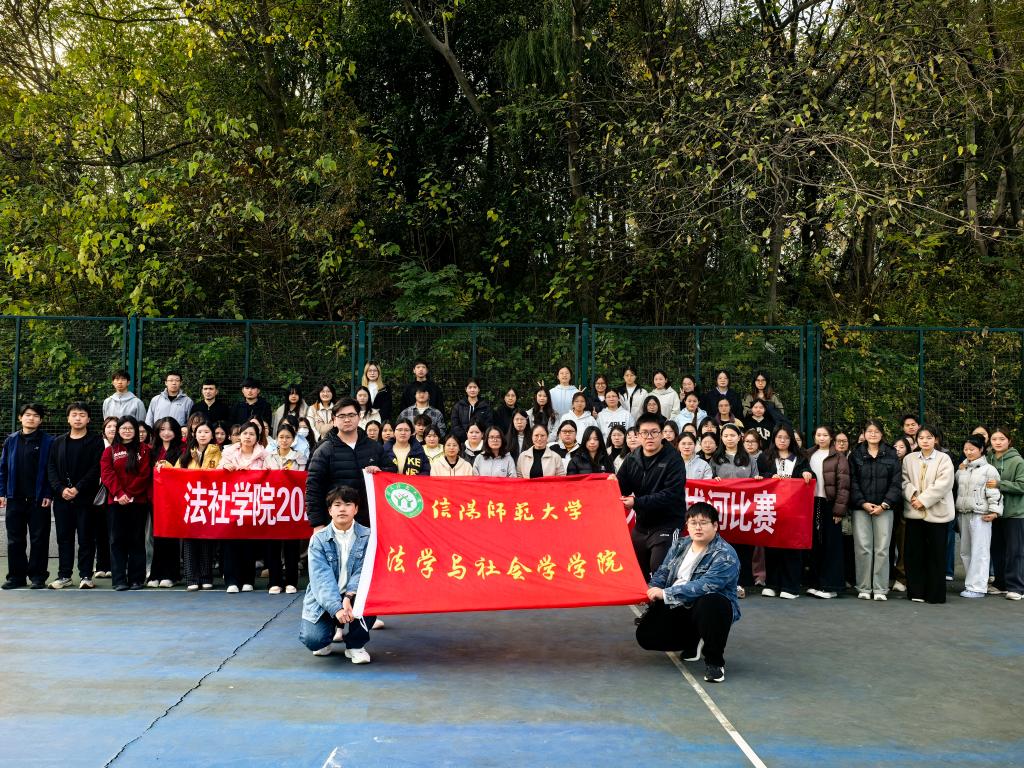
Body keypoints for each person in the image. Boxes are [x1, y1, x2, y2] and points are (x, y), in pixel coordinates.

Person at [637, 502, 739, 683]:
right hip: (679, 603)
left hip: (710, 607)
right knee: (646, 637)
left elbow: (706, 585)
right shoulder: (680, 545)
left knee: (711, 602)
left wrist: (666, 593)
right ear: (687, 525)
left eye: (703, 523)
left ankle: (715, 662)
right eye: (693, 522)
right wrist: (648, 591)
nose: (698, 527)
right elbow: (663, 572)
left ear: (715, 526)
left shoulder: (725, 554)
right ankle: (693, 640)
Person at [299, 485, 375, 663]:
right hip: (325, 597)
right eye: (337, 505)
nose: (342, 509)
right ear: (330, 510)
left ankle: (355, 645)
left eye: (348, 504)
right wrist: (337, 608)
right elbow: (321, 579)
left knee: (371, 594)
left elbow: (363, 571)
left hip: (355, 595)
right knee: (314, 640)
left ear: (356, 509)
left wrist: (348, 596)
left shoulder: (369, 536)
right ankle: (328, 633)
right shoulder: (318, 539)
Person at [617, 412, 687, 578]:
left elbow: (671, 495)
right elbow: (621, 488)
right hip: (642, 524)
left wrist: (637, 502)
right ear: (638, 435)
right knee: (637, 573)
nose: (649, 437)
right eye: (644, 433)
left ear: (662, 434)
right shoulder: (631, 458)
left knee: (660, 571)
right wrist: (612, 483)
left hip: (668, 523)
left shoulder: (674, 460)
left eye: (654, 432)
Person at [43, 403, 105, 590]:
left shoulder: (96, 441)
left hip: (86, 498)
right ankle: (64, 575)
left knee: (86, 538)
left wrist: (78, 488)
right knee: (64, 538)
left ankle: (86, 575)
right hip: (62, 499)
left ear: (89, 419)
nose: (78, 418)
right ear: (68, 418)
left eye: (82, 415)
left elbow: (96, 468)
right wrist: (60, 489)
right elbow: (51, 468)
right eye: (74, 415)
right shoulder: (58, 442)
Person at [305, 397, 383, 529]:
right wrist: (317, 524)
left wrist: (380, 472)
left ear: (359, 417)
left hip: (370, 522)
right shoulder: (324, 450)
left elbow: (391, 476)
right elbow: (313, 489)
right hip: (335, 524)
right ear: (334, 420)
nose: (347, 420)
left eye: (351, 415)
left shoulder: (375, 447)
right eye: (341, 416)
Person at [0, 404, 54, 590]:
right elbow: (3, 468)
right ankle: (16, 577)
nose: (31, 418)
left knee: (39, 539)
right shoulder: (11, 440)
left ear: (41, 420)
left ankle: (38, 577)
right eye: (28, 415)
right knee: (15, 540)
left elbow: (52, 470)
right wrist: (2, 492)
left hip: (39, 500)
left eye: (36, 415)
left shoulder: (49, 441)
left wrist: (48, 493)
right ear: (20, 418)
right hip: (14, 498)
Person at [757, 425, 813, 598]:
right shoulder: (765, 457)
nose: (782, 441)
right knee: (772, 546)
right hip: (772, 508)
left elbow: (809, 474)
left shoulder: (801, 457)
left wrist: (807, 473)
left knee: (792, 547)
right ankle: (772, 584)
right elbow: (759, 477)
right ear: (774, 438)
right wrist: (769, 477)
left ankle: (790, 587)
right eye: (779, 437)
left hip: (794, 509)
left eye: (786, 438)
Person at [901, 424, 955, 604]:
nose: (925, 441)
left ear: (936, 439)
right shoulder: (909, 459)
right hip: (914, 513)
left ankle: (935, 594)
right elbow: (904, 480)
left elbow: (944, 484)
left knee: (936, 555)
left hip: (937, 514)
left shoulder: (944, 459)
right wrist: (913, 496)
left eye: (929, 437)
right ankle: (916, 592)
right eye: (921, 438)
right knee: (914, 554)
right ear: (916, 440)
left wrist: (923, 500)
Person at [848, 419, 902, 600]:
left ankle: (880, 589)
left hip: (884, 509)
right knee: (863, 548)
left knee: (882, 549)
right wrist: (862, 503)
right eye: (869, 431)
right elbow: (852, 482)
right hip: (861, 508)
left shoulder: (891, 454)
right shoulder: (856, 454)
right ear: (864, 434)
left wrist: (885, 504)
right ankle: (864, 587)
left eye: (876, 431)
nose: (873, 434)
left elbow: (896, 483)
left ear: (882, 434)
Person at [100, 416, 153, 591]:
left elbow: (145, 474)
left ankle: (136, 579)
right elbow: (107, 474)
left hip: (138, 502)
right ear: (118, 430)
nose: (127, 431)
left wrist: (129, 494)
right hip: (115, 502)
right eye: (124, 428)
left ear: (136, 431)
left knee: (136, 540)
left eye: (131, 428)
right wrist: (119, 493)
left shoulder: (144, 450)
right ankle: (119, 579)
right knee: (117, 540)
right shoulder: (110, 451)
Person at [219, 421, 269, 592]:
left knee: (249, 541)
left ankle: (248, 579)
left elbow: (271, 473)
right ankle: (231, 580)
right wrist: (225, 467)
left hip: (253, 504)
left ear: (257, 437)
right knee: (230, 541)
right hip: (231, 503)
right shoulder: (228, 452)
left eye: (252, 434)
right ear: (239, 435)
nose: (248, 437)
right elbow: (217, 472)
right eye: (245, 433)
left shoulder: (264, 455)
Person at [805, 426, 850, 599]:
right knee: (815, 543)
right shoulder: (808, 454)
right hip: (812, 503)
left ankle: (831, 586)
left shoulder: (838, 457)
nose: (822, 438)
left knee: (831, 544)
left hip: (830, 504)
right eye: (818, 435)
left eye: (825, 435)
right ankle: (816, 583)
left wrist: (839, 510)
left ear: (831, 437)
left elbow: (844, 486)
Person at [177, 419, 221, 591]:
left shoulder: (218, 453)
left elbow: (219, 475)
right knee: (189, 539)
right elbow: (176, 472)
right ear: (194, 434)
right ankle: (191, 578)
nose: (203, 435)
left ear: (212, 435)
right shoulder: (187, 453)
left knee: (206, 540)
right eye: (199, 432)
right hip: (190, 502)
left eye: (206, 432)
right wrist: (163, 465)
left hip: (209, 501)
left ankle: (206, 576)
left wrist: (201, 462)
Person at [955, 434, 1001, 598]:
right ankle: (970, 584)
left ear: (981, 449)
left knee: (980, 551)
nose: (968, 452)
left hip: (981, 515)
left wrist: (994, 512)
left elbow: (994, 493)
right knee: (965, 551)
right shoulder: (962, 469)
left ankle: (978, 587)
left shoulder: (989, 470)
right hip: (963, 513)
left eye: (972, 449)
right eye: (966, 449)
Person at [264, 423, 306, 594]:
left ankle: (291, 581)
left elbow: (302, 479)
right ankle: (274, 581)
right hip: (272, 506)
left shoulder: (300, 457)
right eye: (281, 437)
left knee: (291, 545)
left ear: (293, 439)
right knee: (272, 544)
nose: (284, 440)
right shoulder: (268, 457)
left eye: (288, 437)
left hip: (291, 507)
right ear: (276, 439)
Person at [148, 417, 186, 588]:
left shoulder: (183, 450)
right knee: (157, 536)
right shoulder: (152, 450)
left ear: (176, 431)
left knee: (171, 536)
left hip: (173, 499)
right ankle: (156, 573)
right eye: (162, 429)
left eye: (170, 429)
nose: (166, 433)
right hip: (155, 498)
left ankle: (171, 574)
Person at [988, 427, 1024, 600]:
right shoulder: (988, 459)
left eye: (1002, 439)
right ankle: (1000, 583)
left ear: (1009, 441)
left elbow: (1022, 486)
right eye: (994, 439)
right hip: (995, 513)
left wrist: (1000, 484)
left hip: (1014, 513)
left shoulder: (1018, 461)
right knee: (997, 549)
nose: (998, 442)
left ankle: (1016, 587)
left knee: (1014, 551)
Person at [450, 379, 493, 443]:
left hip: (481, 442)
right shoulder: (458, 406)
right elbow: (455, 425)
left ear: (478, 389)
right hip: (462, 442)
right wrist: (466, 437)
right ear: (466, 389)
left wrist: (480, 437)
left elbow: (489, 425)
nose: (472, 390)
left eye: (475, 387)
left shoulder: (485, 407)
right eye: (470, 387)